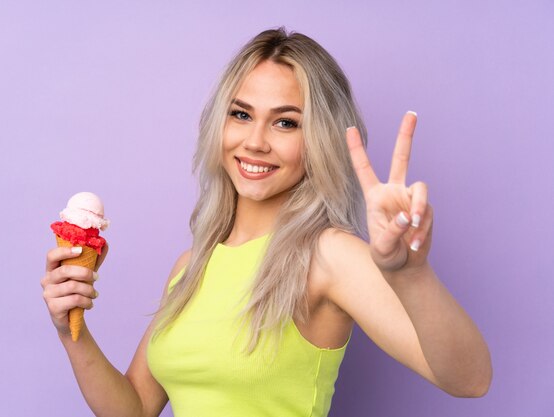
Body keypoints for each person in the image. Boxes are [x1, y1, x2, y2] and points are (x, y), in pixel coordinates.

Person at [41, 28, 492, 417]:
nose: (255, 142)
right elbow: (136, 407)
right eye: (241, 115)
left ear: (319, 140)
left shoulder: (328, 254)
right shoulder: (190, 265)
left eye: (286, 123)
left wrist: (411, 274)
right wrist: (71, 332)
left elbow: (469, 379)